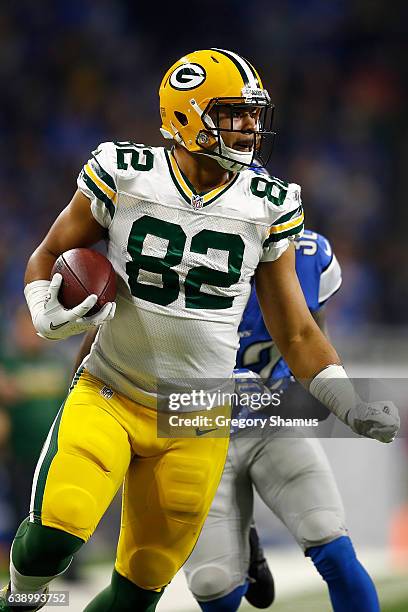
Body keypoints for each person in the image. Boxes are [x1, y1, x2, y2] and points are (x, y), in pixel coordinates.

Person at [0, 49, 398, 612]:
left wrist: (349, 402)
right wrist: (44, 307)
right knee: (52, 538)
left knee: (137, 593)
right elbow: (50, 253)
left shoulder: (269, 205)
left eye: (253, 114)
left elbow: (299, 333)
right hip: (112, 387)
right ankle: (19, 600)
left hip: (197, 414)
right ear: (187, 117)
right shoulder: (125, 172)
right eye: (234, 113)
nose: (250, 128)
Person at [183, 228, 382, 612]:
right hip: (197, 429)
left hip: (271, 419)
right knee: (215, 587)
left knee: (330, 541)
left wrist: (347, 403)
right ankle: (243, 544)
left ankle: (243, 537)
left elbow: (313, 344)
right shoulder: (181, 247)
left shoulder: (308, 252)